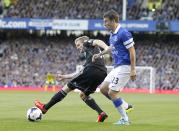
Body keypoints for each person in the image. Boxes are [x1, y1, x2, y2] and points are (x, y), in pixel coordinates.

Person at [35, 36, 108, 122]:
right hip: (102, 74)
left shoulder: (87, 43)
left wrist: (106, 48)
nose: (77, 47)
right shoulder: (90, 54)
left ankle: (45, 108)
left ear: (83, 42)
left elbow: (97, 41)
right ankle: (101, 113)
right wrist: (64, 76)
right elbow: (80, 72)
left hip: (92, 70)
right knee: (83, 95)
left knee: (67, 88)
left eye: (78, 45)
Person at [92, 9, 136, 125]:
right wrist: (100, 54)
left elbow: (132, 51)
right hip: (117, 66)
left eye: (106, 21)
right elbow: (111, 48)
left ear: (113, 20)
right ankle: (125, 105)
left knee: (112, 92)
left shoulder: (123, 33)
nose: (104, 24)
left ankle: (125, 119)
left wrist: (133, 69)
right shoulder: (112, 34)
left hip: (125, 66)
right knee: (103, 89)